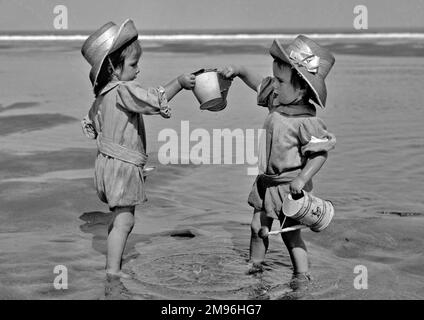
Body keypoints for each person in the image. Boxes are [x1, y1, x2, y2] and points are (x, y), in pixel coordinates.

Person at [80, 19, 195, 278]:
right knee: (125, 220)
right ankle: (112, 270)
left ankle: (113, 263)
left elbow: (98, 128)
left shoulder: (102, 97)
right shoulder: (123, 91)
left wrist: (132, 158)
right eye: (133, 65)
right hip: (120, 168)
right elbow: (152, 100)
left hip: (107, 166)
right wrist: (178, 83)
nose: (138, 70)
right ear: (112, 68)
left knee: (120, 217)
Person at [220, 36, 336, 288]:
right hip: (266, 183)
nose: (274, 86)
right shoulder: (277, 100)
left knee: (291, 235)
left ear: (302, 89)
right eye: (274, 79)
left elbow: (319, 154)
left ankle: (302, 274)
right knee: (256, 227)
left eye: (281, 81)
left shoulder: (307, 121)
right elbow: (257, 84)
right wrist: (239, 71)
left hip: (289, 187)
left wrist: (302, 179)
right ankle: (255, 265)